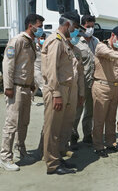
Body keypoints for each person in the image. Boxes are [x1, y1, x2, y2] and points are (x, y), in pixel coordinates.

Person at [0, 13, 44, 171]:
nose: (41, 29)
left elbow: (29, 66)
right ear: (30, 26)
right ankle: (5, 157)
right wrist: (8, 86)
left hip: (26, 88)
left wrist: (32, 83)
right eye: (39, 27)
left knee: (24, 122)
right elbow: (8, 64)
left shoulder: (31, 43)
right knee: (11, 124)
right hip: (16, 88)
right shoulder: (17, 40)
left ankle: (21, 151)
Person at [41, 11, 82, 175]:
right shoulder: (55, 41)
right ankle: (52, 164)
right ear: (67, 25)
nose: (76, 31)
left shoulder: (65, 42)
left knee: (64, 126)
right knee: (53, 128)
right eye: (75, 27)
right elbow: (51, 71)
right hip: (57, 90)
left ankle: (59, 157)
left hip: (68, 89)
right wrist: (56, 93)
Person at [92, 26, 118, 158]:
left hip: (115, 87)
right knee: (99, 119)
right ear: (112, 35)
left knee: (111, 118)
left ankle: (110, 143)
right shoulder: (101, 46)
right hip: (101, 86)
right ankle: (98, 146)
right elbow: (108, 54)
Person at [71, 15, 98, 145]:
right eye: (88, 27)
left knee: (90, 111)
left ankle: (88, 135)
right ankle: (73, 136)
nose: (90, 29)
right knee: (77, 111)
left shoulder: (96, 41)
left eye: (92, 26)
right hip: (80, 83)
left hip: (93, 82)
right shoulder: (76, 41)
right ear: (82, 27)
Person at [58, 34, 85, 158]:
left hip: (73, 89)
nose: (77, 38)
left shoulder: (77, 51)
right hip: (61, 88)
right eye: (76, 35)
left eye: (79, 36)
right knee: (55, 122)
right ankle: (46, 150)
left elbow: (80, 74)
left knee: (69, 121)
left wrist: (81, 94)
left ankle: (63, 148)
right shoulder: (60, 46)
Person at [32, 32, 46, 102]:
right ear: (38, 39)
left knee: (36, 86)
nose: (42, 40)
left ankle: (30, 98)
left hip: (43, 69)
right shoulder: (35, 47)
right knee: (43, 86)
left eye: (43, 38)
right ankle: (47, 101)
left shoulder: (45, 47)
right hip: (36, 69)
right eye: (41, 38)